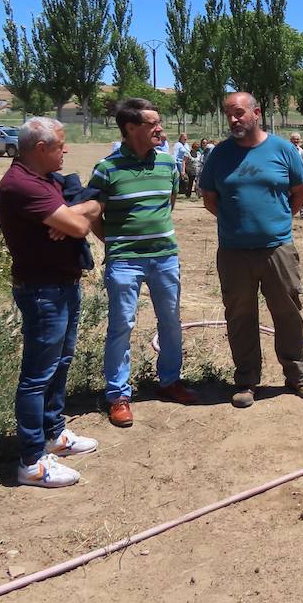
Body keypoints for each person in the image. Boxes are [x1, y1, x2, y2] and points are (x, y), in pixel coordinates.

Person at [0, 116, 102, 487]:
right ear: (40, 149)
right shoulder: (22, 186)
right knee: (37, 375)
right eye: (60, 145)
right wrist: (76, 217)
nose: (66, 150)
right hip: (42, 290)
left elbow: (91, 205)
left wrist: (78, 211)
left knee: (61, 362)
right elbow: (80, 226)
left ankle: (54, 435)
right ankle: (31, 460)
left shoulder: (45, 180)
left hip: (62, 285)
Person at [199, 91, 303, 408]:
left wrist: (276, 221)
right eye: (228, 114)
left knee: (288, 313)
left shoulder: (282, 149)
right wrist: (238, 224)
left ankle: (297, 375)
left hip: (277, 249)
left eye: (239, 113)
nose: (233, 119)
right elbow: (210, 199)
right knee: (240, 316)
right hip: (233, 252)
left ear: (257, 112)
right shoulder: (219, 155)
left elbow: (301, 191)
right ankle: (246, 380)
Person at [90, 99, 199, 428]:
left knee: (171, 322)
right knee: (121, 326)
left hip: (165, 257)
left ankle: (169, 381)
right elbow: (94, 215)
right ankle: (118, 395)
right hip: (125, 262)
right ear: (131, 129)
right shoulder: (106, 169)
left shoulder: (167, 164)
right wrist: (115, 243)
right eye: (153, 124)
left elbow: (169, 203)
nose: (160, 130)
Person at [173, 132, 191, 206]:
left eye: (186, 137)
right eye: (184, 137)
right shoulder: (177, 145)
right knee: (180, 177)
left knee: (188, 177)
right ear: (180, 138)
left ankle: (186, 192)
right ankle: (176, 192)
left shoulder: (186, 145)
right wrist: (175, 164)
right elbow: (175, 154)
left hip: (188, 163)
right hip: (179, 163)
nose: (185, 138)